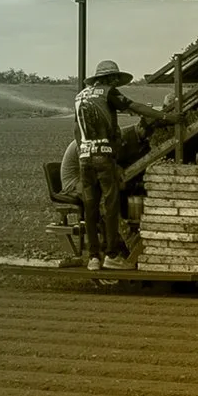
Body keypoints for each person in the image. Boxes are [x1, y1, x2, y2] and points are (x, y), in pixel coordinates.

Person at [72, 60, 168, 270]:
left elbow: (77, 133)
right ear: (110, 78)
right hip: (103, 156)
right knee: (111, 204)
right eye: (115, 79)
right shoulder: (108, 93)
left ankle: (93, 258)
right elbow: (135, 107)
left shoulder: (81, 96)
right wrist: (165, 116)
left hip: (85, 159)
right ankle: (112, 255)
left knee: (90, 207)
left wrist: (84, 151)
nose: (116, 82)